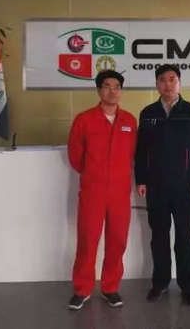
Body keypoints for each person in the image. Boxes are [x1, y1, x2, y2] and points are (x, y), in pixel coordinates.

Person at [134, 64, 190, 306]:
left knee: (185, 236)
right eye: (162, 80)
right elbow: (140, 150)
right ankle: (160, 283)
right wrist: (141, 179)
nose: (167, 84)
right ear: (156, 84)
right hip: (155, 187)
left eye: (172, 79)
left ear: (179, 83)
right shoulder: (148, 113)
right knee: (159, 236)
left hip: (185, 187)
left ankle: (188, 286)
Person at [66, 70, 137, 311]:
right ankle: (82, 289)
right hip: (93, 191)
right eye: (107, 86)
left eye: (117, 87)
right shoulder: (84, 120)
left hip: (120, 192)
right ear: (99, 90)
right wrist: (93, 175)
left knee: (117, 241)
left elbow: (132, 153)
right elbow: (76, 157)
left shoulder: (129, 121)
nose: (113, 91)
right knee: (88, 240)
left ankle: (110, 287)